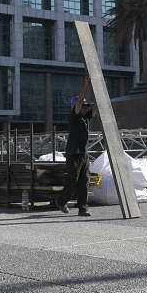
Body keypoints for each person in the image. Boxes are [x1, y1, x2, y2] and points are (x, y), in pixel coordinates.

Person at [53, 76, 97, 217]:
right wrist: (86, 85)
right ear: (77, 108)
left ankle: (83, 208)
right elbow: (79, 101)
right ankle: (61, 200)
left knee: (85, 182)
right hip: (73, 154)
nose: (86, 108)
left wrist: (99, 89)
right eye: (84, 106)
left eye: (86, 106)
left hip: (83, 154)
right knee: (73, 180)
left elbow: (97, 107)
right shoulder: (74, 117)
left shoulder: (86, 118)